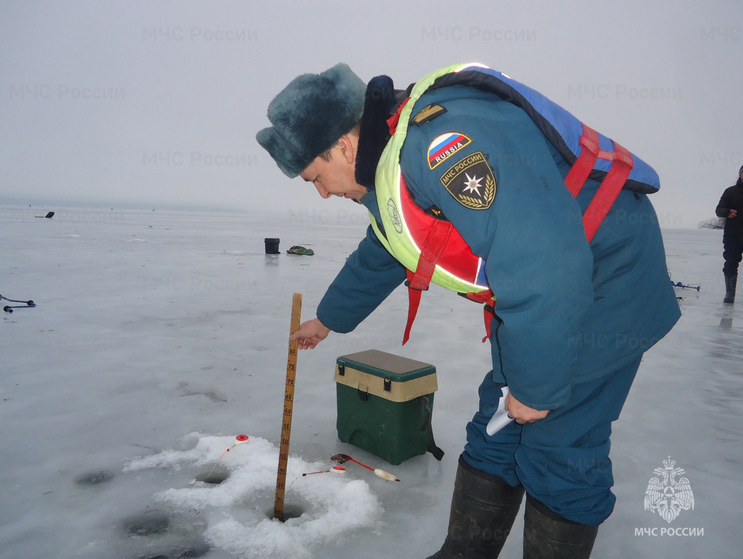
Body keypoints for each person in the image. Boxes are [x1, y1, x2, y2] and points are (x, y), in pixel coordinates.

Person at [256, 63, 680, 558]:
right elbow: (387, 248)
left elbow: (546, 263)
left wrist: (536, 387)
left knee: (558, 443)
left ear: (345, 147)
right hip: (545, 287)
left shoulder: (443, 145)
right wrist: (327, 320)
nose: (323, 193)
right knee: (495, 427)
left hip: (605, 277)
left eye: (316, 177)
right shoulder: (388, 166)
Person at [715, 165, 743, 304]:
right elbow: (719, 210)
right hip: (734, 235)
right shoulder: (731, 192)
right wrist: (727, 212)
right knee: (731, 263)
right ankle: (730, 294)